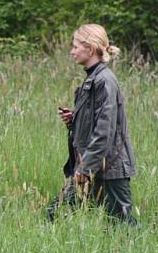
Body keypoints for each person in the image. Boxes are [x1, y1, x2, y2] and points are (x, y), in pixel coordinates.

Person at [47, 24, 137, 224]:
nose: (72, 52)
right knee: (55, 213)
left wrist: (84, 169)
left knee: (123, 227)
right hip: (92, 166)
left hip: (109, 169)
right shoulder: (94, 78)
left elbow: (104, 132)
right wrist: (75, 118)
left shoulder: (104, 81)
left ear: (90, 48)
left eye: (75, 46)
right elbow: (97, 121)